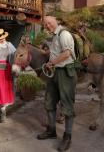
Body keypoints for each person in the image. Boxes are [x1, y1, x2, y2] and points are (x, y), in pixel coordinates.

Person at [37, 16, 77, 152]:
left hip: (65, 73)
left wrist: (51, 63)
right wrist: (46, 53)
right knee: (49, 101)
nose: (46, 26)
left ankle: (67, 137)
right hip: (55, 72)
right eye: (45, 25)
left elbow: (66, 54)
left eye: (48, 23)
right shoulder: (55, 36)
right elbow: (56, 51)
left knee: (67, 105)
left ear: (54, 22)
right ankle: (51, 131)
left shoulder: (64, 34)